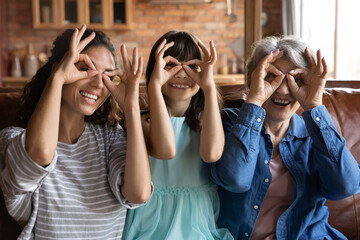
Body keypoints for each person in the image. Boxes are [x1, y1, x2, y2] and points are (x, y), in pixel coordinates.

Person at [0, 25, 152, 239]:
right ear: (59, 68)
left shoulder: (110, 137)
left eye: (108, 75)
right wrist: (57, 79)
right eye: (84, 68)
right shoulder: (13, 139)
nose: (98, 83)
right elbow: (41, 153)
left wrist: (131, 107)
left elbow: (139, 194)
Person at [210, 35, 360, 240]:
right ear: (253, 80)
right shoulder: (228, 123)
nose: (282, 89)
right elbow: (236, 180)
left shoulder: (315, 132)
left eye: (297, 80)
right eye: (272, 76)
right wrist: (254, 99)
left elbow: (347, 187)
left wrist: (314, 105)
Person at [121, 31, 233, 239]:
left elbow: (212, 154)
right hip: (151, 220)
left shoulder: (205, 119)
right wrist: (154, 84)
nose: (182, 74)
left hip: (197, 219)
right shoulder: (143, 121)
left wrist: (208, 86)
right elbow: (165, 148)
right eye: (170, 65)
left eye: (192, 67)